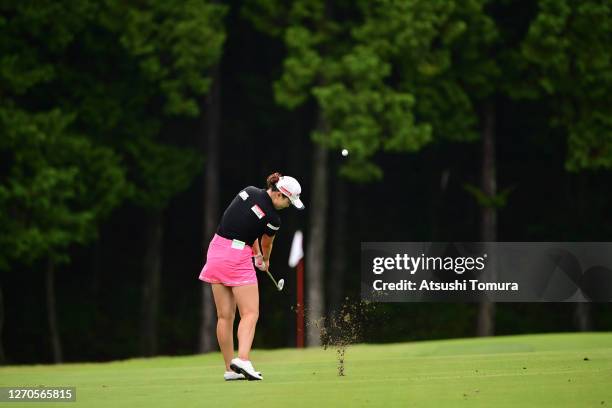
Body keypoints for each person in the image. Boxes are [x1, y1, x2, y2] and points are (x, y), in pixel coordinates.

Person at [198, 172, 305, 381]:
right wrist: (265, 260)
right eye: (289, 202)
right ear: (280, 195)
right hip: (237, 258)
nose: (288, 206)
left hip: (216, 250)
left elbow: (247, 227)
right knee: (250, 313)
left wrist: (256, 255)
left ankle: (230, 370)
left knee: (224, 316)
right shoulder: (274, 218)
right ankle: (243, 359)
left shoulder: (249, 191)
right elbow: (267, 243)